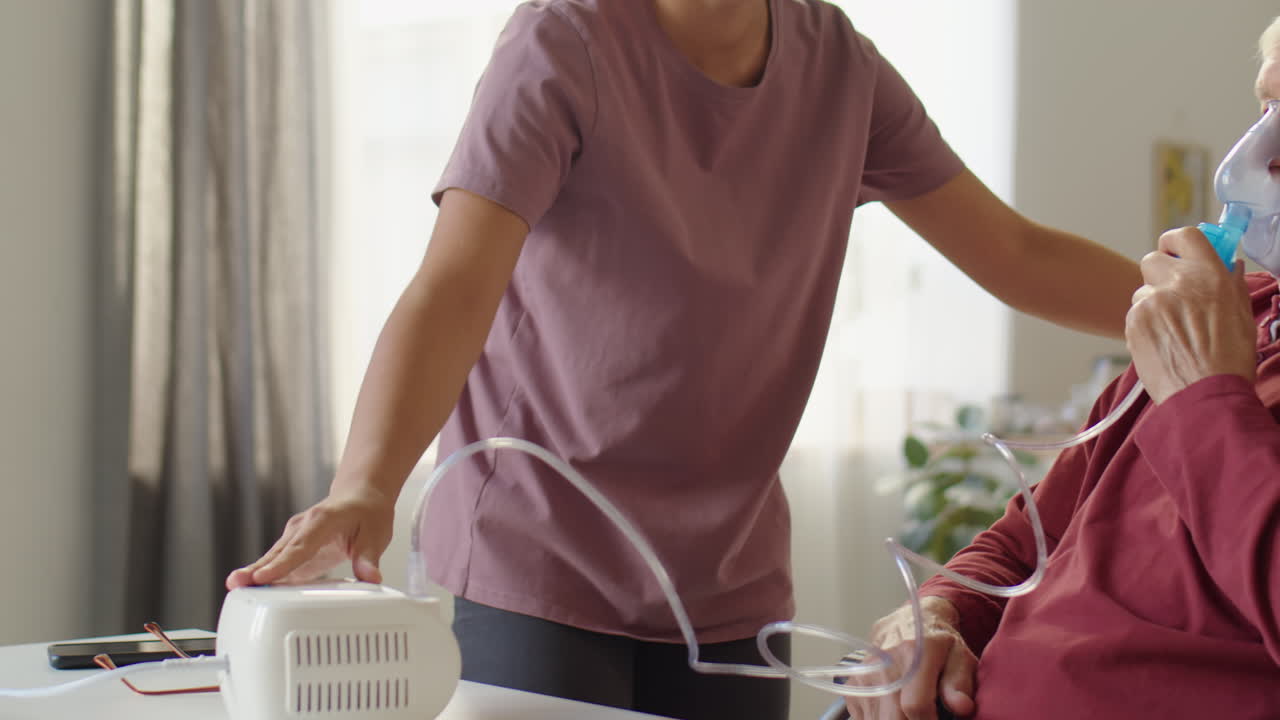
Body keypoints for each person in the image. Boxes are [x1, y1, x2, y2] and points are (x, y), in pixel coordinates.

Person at [226, 1, 1139, 719]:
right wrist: (366, 487)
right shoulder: (563, 44)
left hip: (728, 586)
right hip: (540, 557)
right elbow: (453, 286)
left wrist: (1242, 309)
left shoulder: (843, 70)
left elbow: (1015, 255)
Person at [843, 20, 1280, 720]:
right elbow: (1028, 541)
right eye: (1266, 110)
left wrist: (1208, 400)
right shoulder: (1233, 318)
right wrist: (939, 611)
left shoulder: (1207, 353)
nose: (1254, 158)